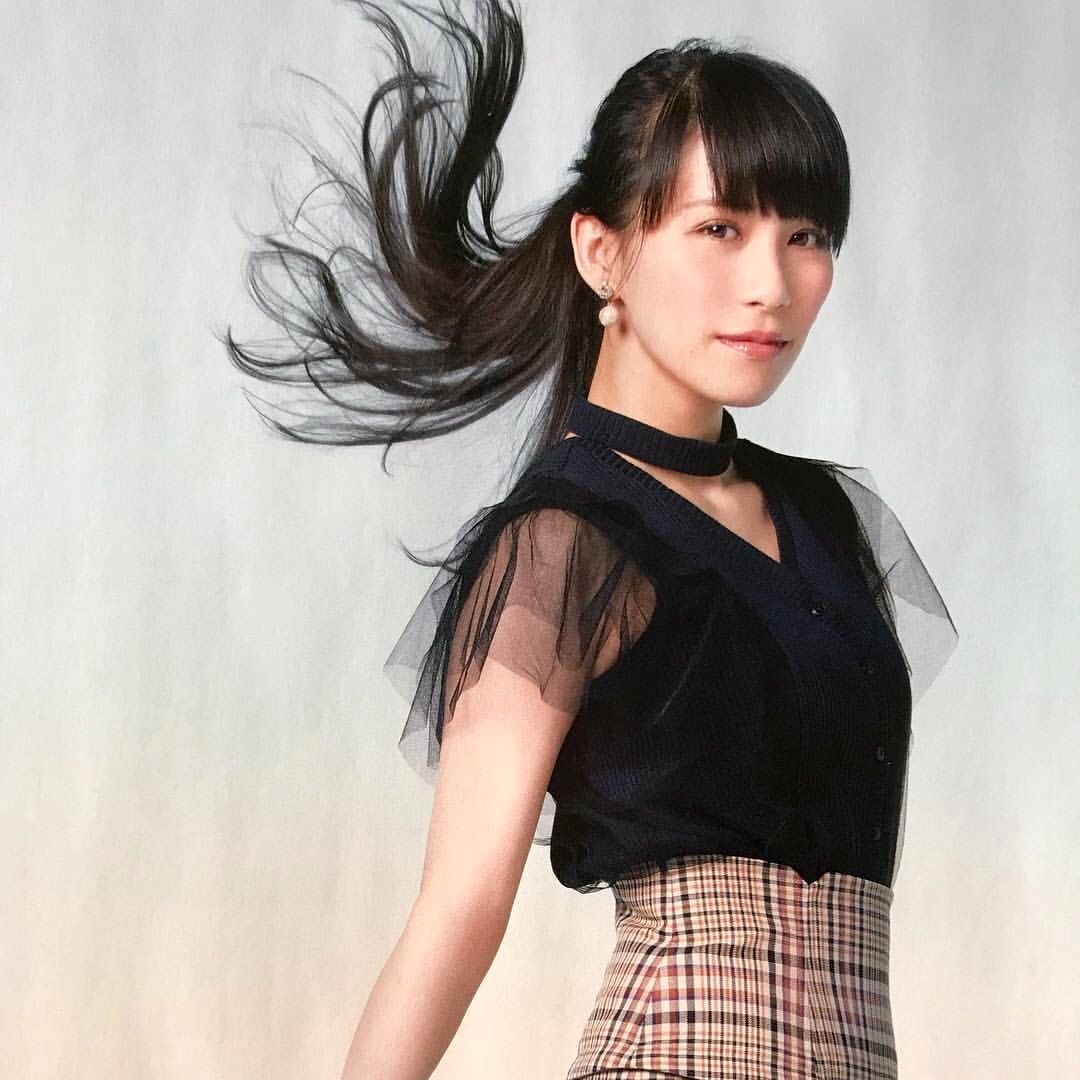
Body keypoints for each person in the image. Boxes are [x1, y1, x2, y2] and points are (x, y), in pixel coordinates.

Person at [224, 1, 959, 1076]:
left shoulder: (829, 520)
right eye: (721, 228)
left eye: (806, 235)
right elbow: (459, 908)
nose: (771, 283)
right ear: (602, 252)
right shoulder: (565, 544)